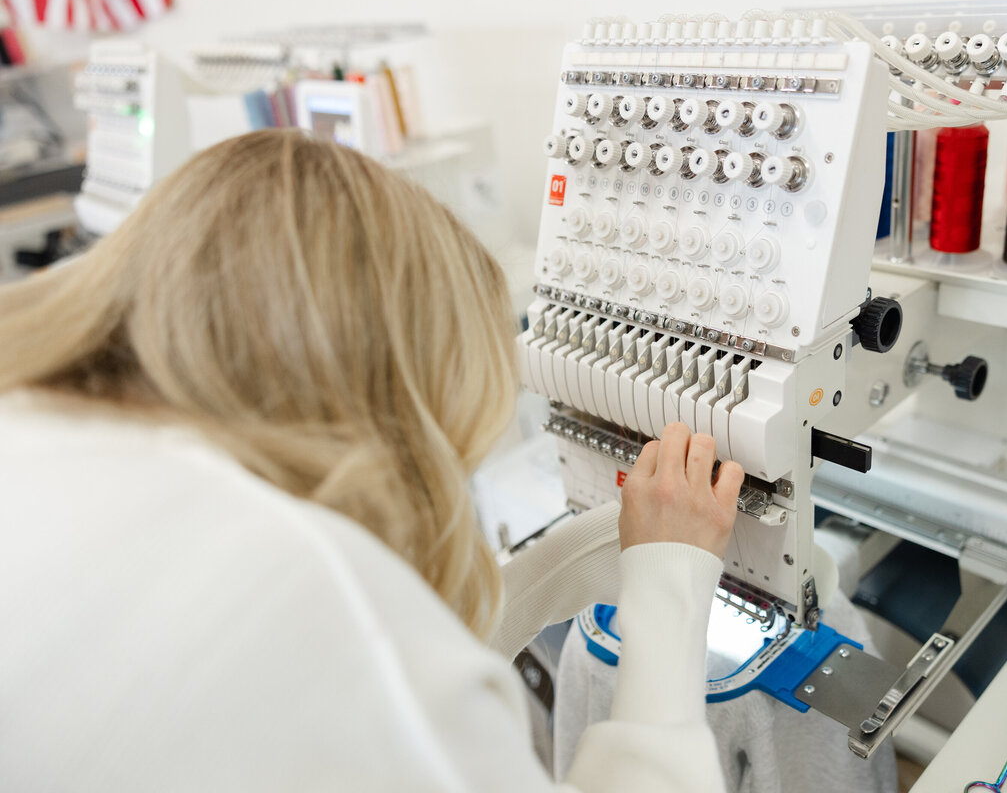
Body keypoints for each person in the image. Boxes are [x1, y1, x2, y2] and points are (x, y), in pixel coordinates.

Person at [0, 129, 744, 792]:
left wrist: (610, 549)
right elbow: (374, 646)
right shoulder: (302, 584)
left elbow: (401, 640)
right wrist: (670, 592)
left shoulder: (53, 441)